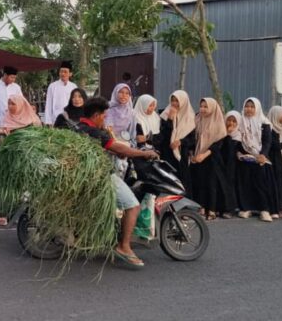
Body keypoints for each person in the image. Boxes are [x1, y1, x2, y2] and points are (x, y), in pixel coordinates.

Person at [74, 97, 159, 268]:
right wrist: (144, 154)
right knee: (132, 205)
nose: (105, 118)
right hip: (101, 176)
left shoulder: (78, 128)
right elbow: (118, 148)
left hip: (86, 175)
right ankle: (124, 246)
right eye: (104, 116)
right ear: (96, 115)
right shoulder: (95, 133)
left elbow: (114, 150)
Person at [190, 98, 236, 220]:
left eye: (206, 107)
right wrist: (193, 154)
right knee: (200, 182)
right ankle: (202, 207)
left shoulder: (218, 121)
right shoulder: (197, 119)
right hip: (197, 156)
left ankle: (212, 209)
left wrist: (204, 155)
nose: (203, 109)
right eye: (201, 106)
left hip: (212, 157)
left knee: (212, 183)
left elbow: (218, 143)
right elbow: (191, 138)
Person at [235, 98, 279, 222]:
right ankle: (247, 208)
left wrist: (262, 155)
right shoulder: (240, 122)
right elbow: (238, 140)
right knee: (246, 184)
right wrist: (239, 152)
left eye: (252, 107)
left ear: (257, 108)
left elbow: (267, 141)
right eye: (247, 106)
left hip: (260, 158)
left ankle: (264, 210)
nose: (249, 109)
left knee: (262, 184)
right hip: (246, 158)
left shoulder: (264, 123)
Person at [159, 90, 197, 194]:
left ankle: (185, 205)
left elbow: (193, 139)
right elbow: (162, 136)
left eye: (177, 101)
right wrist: (170, 119)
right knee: (169, 179)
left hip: (181, 155)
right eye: (173, 100)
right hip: (167, 153)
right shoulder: (164, 115)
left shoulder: (190, 118)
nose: (174, 103)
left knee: (183, 180)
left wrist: (181, 141)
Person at [44, 61, 77, 126]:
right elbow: (48, 104)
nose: (63, 74)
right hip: (56, 119)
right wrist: (48, 121)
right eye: (61, 71)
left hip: (71, 120)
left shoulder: (74, 86)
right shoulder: (52, 86)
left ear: (70, 74)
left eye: (65, 72)